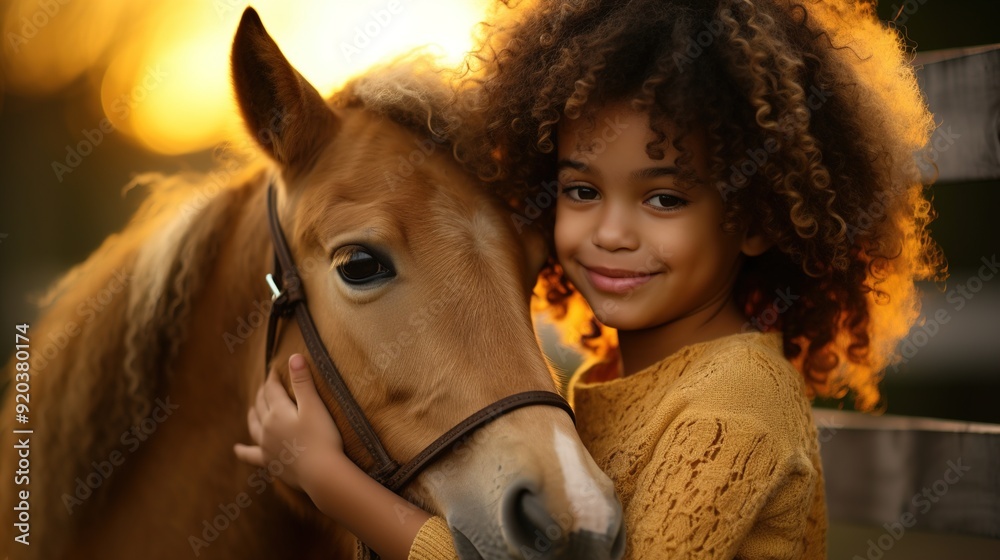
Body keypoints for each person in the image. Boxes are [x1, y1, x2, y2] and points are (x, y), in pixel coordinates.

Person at [234, 0, 946, 558]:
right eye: (580, 192)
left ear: (755, 217)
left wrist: (333, 484)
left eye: (664, 198)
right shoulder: (600, 387)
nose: (610, 232)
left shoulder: (736, 402)